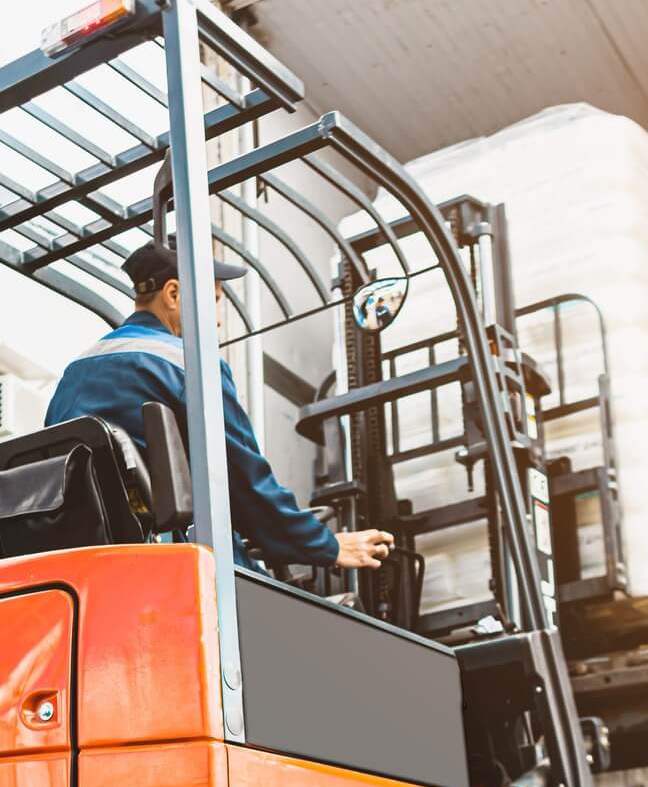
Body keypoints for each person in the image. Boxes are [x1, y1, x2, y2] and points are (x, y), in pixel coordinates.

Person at [45, 240, 394, 574]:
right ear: (173, 294)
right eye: (213, 302)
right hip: (173, 563)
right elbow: (243, 480)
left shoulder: (73, 374)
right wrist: (325, 546)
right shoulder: (187, 363)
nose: (217, 321)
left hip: (85, 566)